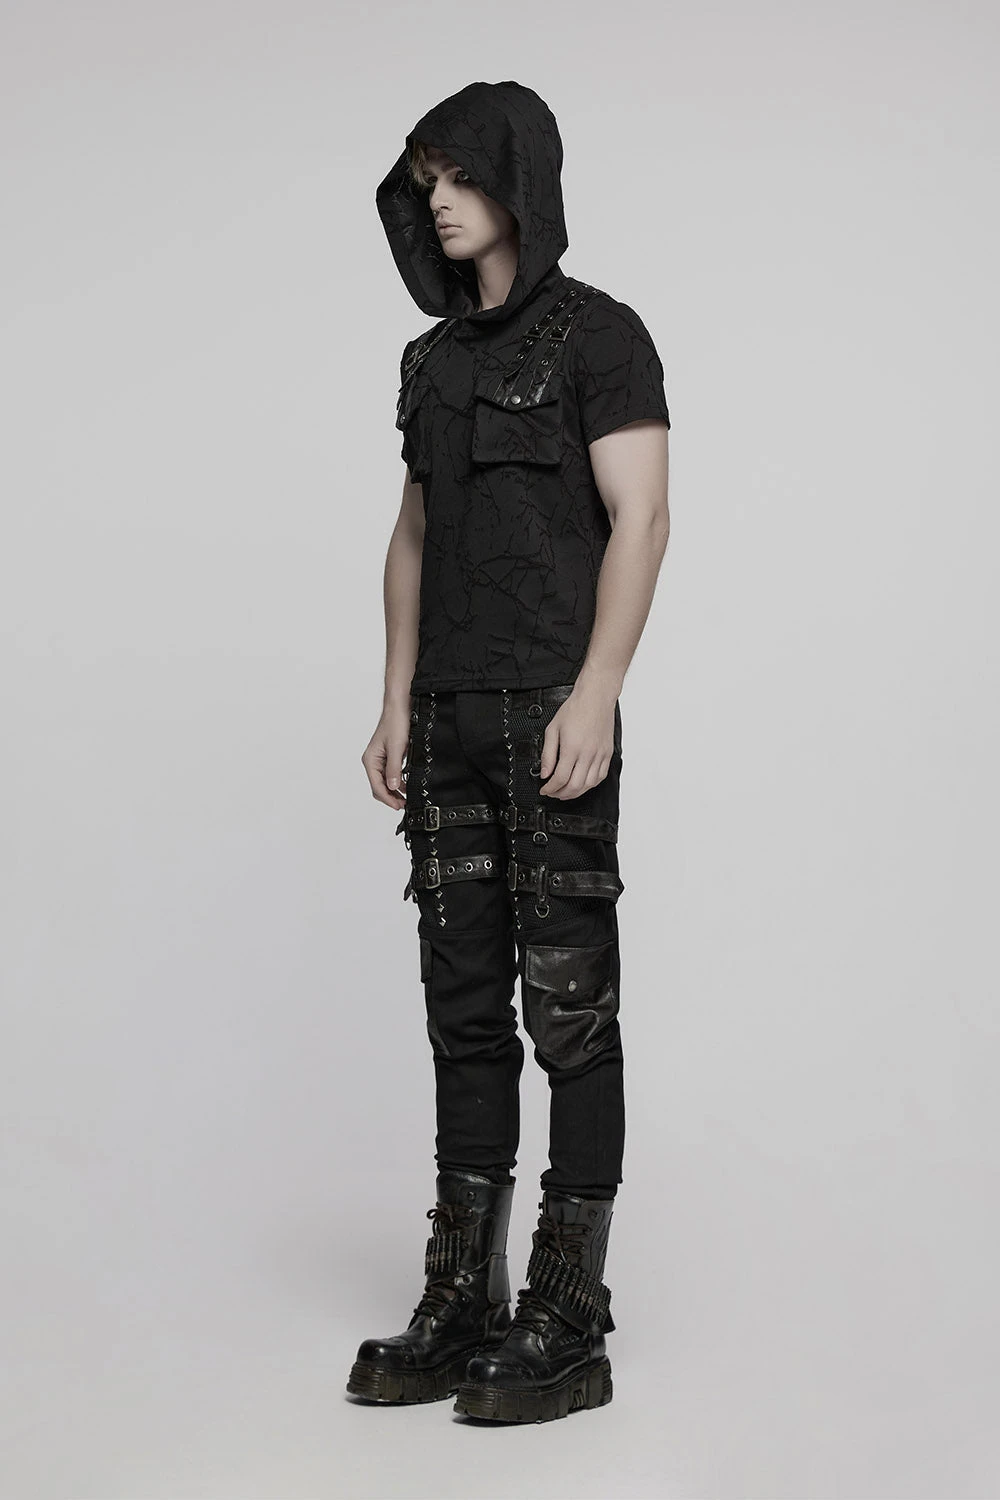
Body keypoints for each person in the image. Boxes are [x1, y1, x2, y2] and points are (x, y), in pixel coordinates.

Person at [348, 79, 671, 1424]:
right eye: (425, 179)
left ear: (517, 180)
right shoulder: (429, 363)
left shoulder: (604, 336)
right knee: (464, 1011)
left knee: (570, 1011)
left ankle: (568, 1310)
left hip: (551, 716)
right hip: (446, 726)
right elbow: (413, 537)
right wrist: (393, 702)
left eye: (460, 174)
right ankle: (461, 1294)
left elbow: (643, 516)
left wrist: (598, 690)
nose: (440, 198)